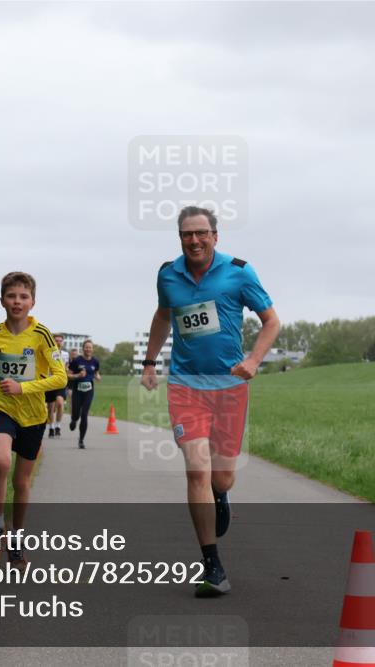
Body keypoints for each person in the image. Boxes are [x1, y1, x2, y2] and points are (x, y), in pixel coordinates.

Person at [141, 206, 280, 598]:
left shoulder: (239, 272)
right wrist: (150, 362)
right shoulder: (168, 274)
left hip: (229, 388)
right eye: (187, 235)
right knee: (196, 471)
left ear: (215, 236)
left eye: (202, 233)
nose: (195, 240)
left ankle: (222, 494)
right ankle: (212, 565)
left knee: (221, 477)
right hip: (185, 386)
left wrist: (253, 360)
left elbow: (272, 321)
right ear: (180, 238)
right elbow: (163, 316)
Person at [0, 272, 66, 570]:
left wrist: (23, 387)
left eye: (23, 297)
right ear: (2, 300)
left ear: (33, 302)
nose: (17, 301)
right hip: (2, 409)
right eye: (12, 296)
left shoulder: (42, 335)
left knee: (21, 481)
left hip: (34, 416)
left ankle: (17, 537)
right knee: (1, 462)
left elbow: (60, 377)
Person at [68, 340, 101, 449]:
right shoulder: (77, 360)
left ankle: (81, 440)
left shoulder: (95, 361)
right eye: (86, 347)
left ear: (93, 349)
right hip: (77, 390)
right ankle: (73, 420)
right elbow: (68, 375)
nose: (88, 349)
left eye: (90, 347)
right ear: (83, 348)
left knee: (84, 414)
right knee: (76, 413)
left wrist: (97, 377)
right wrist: (78, 375)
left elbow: (96, 372)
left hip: (89, 391)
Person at [45, 334, 70, 438]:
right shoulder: (48, 353)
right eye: (56, 340)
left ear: (62, 342)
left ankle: (58, 426)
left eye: (60, 341)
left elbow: (66, 366)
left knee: (60, 403)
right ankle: (51, 427)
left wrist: (66, 370)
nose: (58, 342)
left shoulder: (65, 354)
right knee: (51, 408)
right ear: (53, 342)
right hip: (50, 382)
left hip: (60, 382)